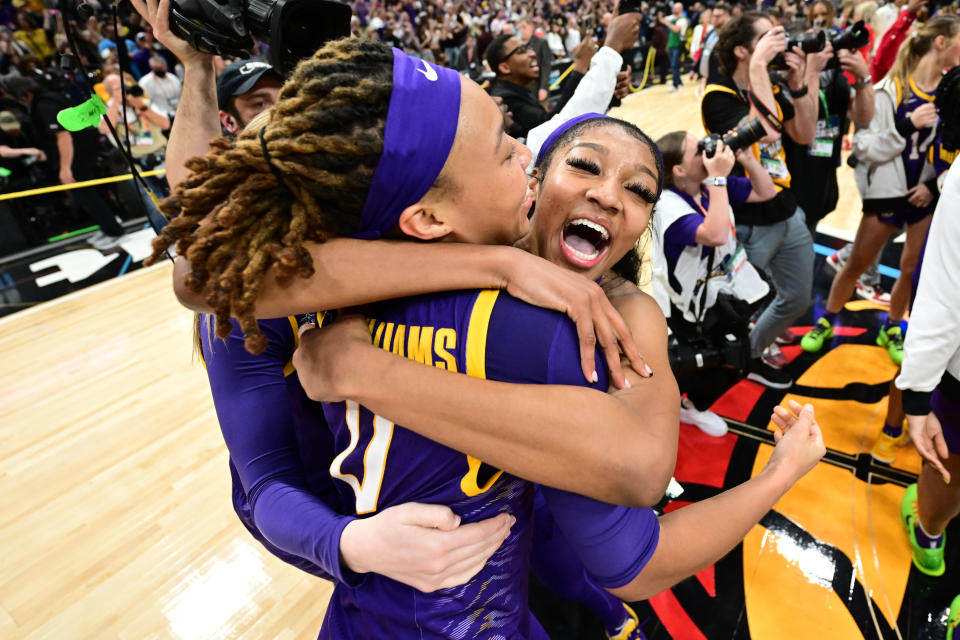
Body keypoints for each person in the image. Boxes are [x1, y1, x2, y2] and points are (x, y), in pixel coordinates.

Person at [287, 107, 824, 637]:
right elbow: (242, 282)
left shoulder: (627, 318)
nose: (611, 196)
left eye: (638, 192)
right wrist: (502, 265)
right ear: (533, 182)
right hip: (432, 585)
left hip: (521, 577)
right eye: (587, 166)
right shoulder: (458, 241)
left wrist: (781, 473)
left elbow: (640, 522)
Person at [800, 16, 960, 368]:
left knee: (909, 269)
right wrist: (906, 126)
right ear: (940, 43)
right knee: (857, 262)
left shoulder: (952, 91)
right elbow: (864, 148)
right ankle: (827, 318)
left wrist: (934, 185)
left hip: (925, 195)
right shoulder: (891, 89)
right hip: (887, 194)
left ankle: (893, 326)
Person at [701, 12, 819, 388]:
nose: (778, 42)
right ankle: (720, 367)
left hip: (786, 208)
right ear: (741, 50)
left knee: (798, 297)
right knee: (734, 306)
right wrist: (757, 68)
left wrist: (801, 83)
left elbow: (805, 133)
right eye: (768, 36)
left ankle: (750, 352)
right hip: (749, 219)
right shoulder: (717, 95)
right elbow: (765, 134)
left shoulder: (769, 81)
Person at [652, 130, 776, 434]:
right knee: (693, 362)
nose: (709, 152)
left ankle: (692, 406)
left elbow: (766, 192)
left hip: (722, 291)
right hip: (686, 303)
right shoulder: (667, 204)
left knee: (732, 358)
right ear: (678, 171)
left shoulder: (709, 186)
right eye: (698, 151)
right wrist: (719, 178)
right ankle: (666, 412)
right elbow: (715, 234)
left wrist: (746, 159)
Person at [0, 74, 127, 250]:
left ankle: (114, 231)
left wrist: (65, 168)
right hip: (81, 149)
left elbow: (64, 136)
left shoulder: (44, 105)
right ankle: (108, 225)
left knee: (86, 194)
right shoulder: (47, 97)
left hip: (76, 154)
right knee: (88, 193)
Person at [487, 14, 640, 139]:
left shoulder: (517, 90)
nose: (532, 53)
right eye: (521, 51)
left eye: (528, 48)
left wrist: (608, 89)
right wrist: (580, 67)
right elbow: (556, 128)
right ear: (504, 67)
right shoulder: (505, 98)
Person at [784, 41, 875, 235]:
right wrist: (811, 72)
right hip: (790, 186)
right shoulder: (786, 79)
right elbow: (804, 134)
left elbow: (864, 116)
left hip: (822, 183)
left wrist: (863, 77)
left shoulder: (836, 79)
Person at [517, 16, 553, 102]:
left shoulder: (541, 42)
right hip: (523, 89)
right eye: (519, 28)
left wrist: (543, 87)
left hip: (538, 86)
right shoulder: (518, 45)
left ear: (531, 27)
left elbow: (546, 66)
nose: (522, 30)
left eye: (524, 27)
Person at [138, 55, 181, 121]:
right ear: (152, 68)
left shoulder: (172, 77)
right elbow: (144, 101)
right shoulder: (145, 82)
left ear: (166, 66)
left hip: (178, 111)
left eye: (161, 67)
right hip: (162, 115)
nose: (160, 70)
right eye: (156, 68)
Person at [661, 2, 688, 91]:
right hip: (671, 44)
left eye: (675, 8)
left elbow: (676, 29)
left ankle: (675, 85)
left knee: (674, 65)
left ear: (680, 9)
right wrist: (660, 13)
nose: (673, 9)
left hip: (678, 44)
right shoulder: (673, 17)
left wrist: (668, 23)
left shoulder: (683, 19)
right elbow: (662, 20)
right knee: (674, 65)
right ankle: (679, 83)